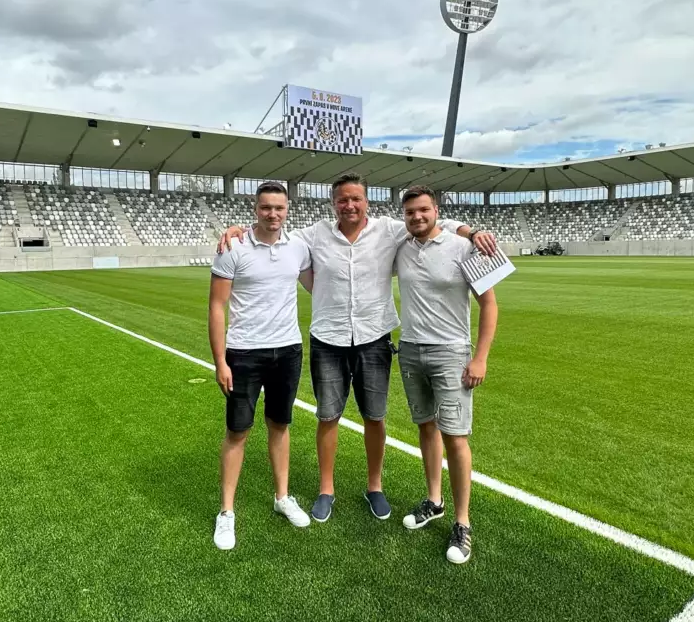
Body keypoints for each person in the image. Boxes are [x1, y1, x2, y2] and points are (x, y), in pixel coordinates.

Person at [218, 173, 496, 524]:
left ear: (367, 202)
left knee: (374, 417)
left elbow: (430, 221)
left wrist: (470, 231)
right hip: (328, 339)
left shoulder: (390, 230)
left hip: (374, 338)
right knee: (328, 416)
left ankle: (374, 486)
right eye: (342, 200)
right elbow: (273, 228)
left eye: (356, 199)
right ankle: (326, 489)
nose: (349, 205)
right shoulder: (313, 235)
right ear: (333, 203)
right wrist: (238, 229)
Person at [394, 186, 499, 565]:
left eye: (424, 210)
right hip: (410, 349)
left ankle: (462, 522)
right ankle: (434, 501)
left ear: (436, 210)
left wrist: (480, 358)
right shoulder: (402, 246)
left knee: (455, 436)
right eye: (410, 212)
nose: (417, 217)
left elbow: (489, 304)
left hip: (452, 353)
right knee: (425, 426)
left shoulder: (465, 248)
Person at [208, 181, 313, 551]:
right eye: (266, 207)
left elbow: (320, 286)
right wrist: (220, 361)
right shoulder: (233, 246)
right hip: (244, 354)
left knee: (280, 425)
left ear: (287, 209)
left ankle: (282, 497)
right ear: (256, 209)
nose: (273, 214)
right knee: (238, 432)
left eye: (279, 208)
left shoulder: (298, 247)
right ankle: (226, 512)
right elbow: (216, 307)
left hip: (288, 350)